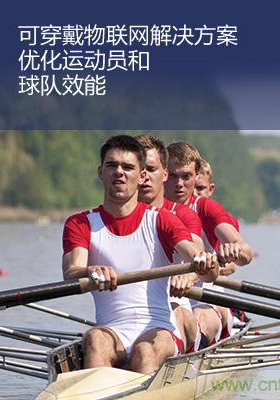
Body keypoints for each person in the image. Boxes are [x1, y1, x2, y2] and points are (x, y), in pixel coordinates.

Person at [62, 135, 218, 374]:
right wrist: (89, 271)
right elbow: (71, 273)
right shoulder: (80, 223)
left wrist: (205, 262)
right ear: (100, 172)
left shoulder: (161, 220)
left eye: (127, 167)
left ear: (141, 175)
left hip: (159, 330)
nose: (119, 172)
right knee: (94, 338)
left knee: (144, 351)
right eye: (112, 165)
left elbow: (201, 264)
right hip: (111, 332)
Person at [164, 141, 252, 345]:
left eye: (186, 177)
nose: (179, 184)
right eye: (173, 176)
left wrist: (235, 250)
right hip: (161, 301)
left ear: (196, 177)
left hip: (205, 300)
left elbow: (245, 253)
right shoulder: (148, 210)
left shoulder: (206, 208)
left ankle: (194, 348)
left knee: (198, 317)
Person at [136, 134, 203, 353]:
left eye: (150, 170)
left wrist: (187, 276)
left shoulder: (181, 215)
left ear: (162, 174)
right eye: (140, 169)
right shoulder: (109, 219)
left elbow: (197, 254)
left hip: (175, 305)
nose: (144, 177)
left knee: (176, 312)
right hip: (130, 313)